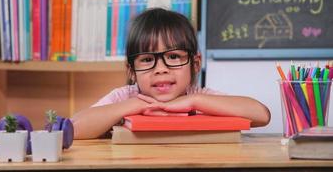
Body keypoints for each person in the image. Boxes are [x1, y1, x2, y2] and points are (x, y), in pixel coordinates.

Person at [71, 8, 271, 139]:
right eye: (148, 59)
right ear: (132, 71)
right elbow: (73, 129)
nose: (161, 68)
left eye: (174, 56)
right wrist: (133, 106)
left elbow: (261, 115)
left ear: (195, 63)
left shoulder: (198, 96)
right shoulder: (125, 97)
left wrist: (194, 102)